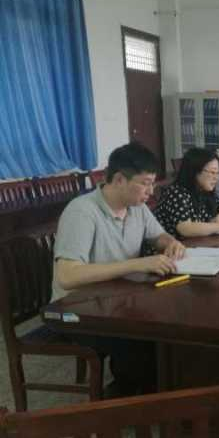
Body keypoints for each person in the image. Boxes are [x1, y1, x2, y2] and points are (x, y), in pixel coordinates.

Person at [53, 142, 186, 395]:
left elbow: (159, 236)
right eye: (145, 183)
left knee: (168, 329)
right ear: (119, 180)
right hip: (76, 311)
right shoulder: (82, 212)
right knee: (140, 341)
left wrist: (171, 243)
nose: (151, 191)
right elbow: (67, 276)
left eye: (153, 183)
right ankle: (126, 399)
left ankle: (150, 389)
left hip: (117, 301)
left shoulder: (137, 208)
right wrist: (137, 264)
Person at [153, 147, 219, 238]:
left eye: (218, 173)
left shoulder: (204, 191)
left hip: (195, 244)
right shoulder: (176, 193)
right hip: (171, 247)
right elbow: (186, 229)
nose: (216, 178)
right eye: (212, 172)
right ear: (194, 171)